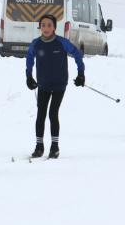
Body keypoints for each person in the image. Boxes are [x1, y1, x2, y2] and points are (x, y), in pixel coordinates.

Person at [26, 14, 85, 158]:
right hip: (43, 84)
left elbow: (77, 54)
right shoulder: (36, 43)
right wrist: (29, 76)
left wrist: (81, 74)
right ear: (40, 27)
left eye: (49, 25)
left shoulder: (61, 42)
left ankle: (54, 146)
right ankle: (39, 146)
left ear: (54, 27)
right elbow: (29, 59)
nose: (46, 28)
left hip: (59, 84)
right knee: (41, 114)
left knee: (53, 113)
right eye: (43, 25)